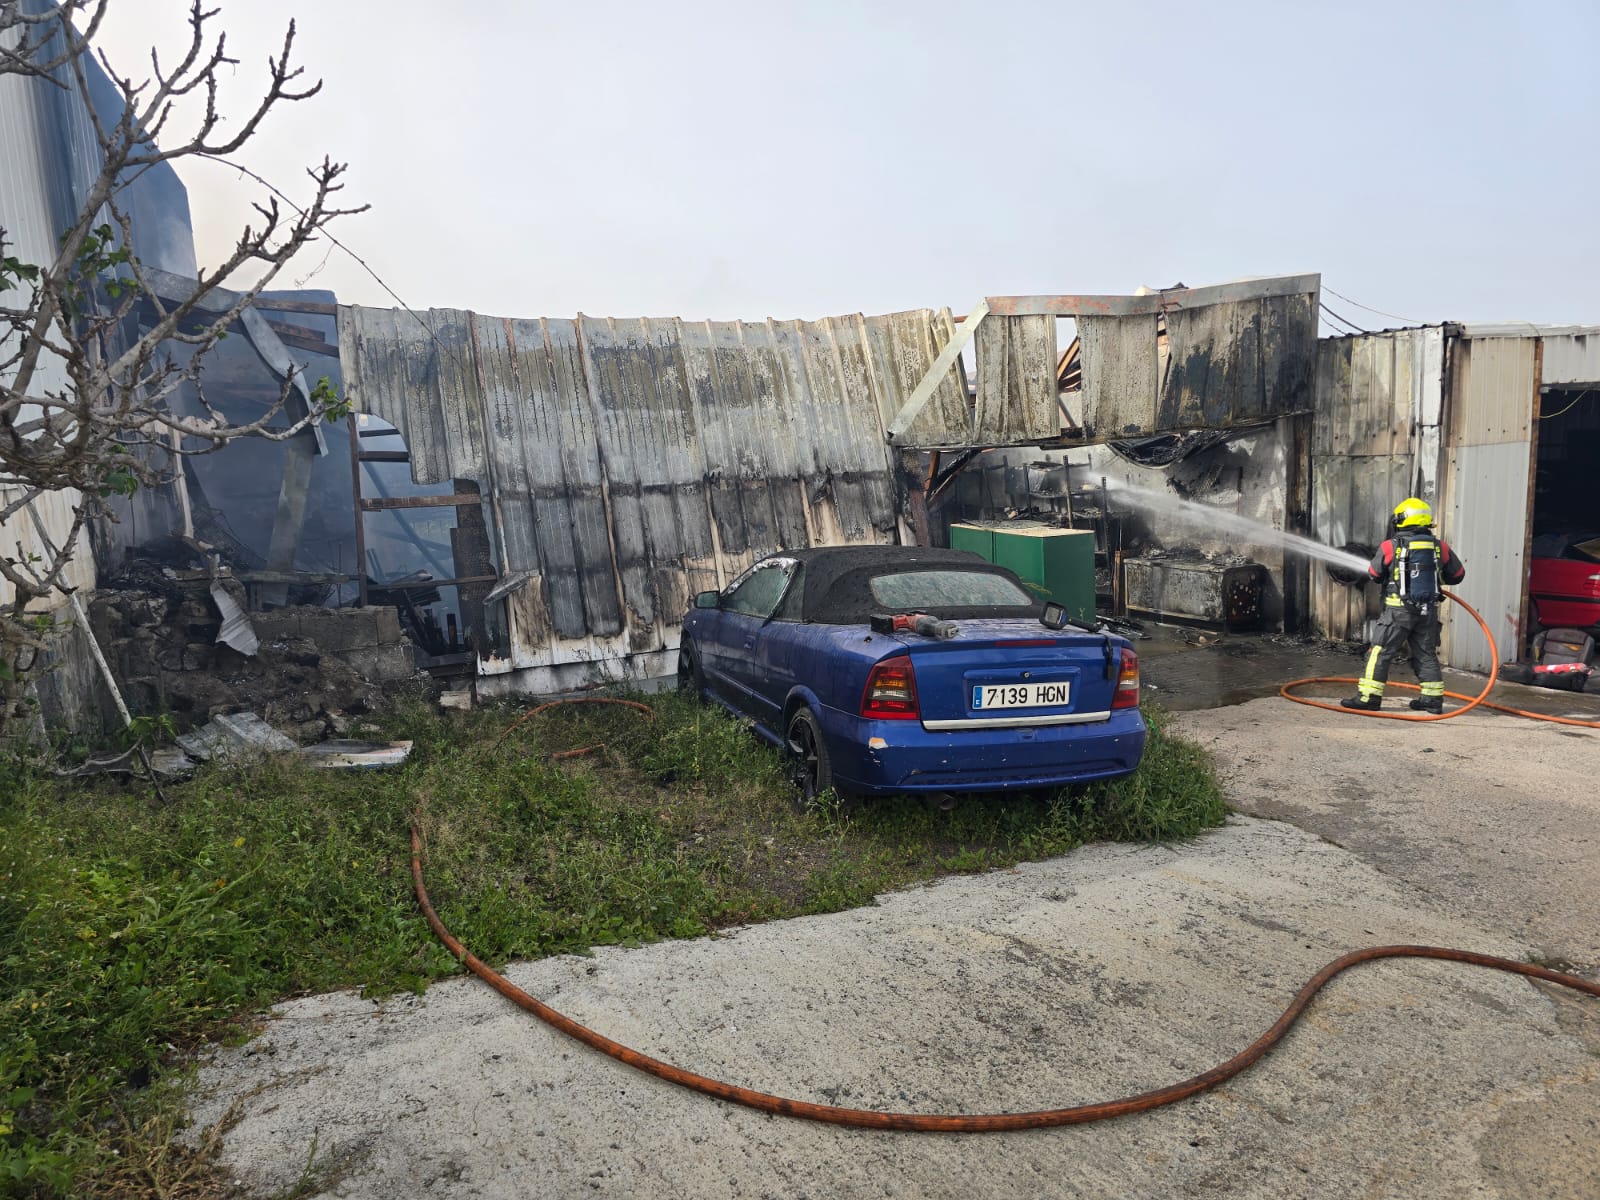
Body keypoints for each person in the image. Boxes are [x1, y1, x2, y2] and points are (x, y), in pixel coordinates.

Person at [1342, 497, 1466, 714]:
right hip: (1427, 612)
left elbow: (1374, 574)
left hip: (1397, 613)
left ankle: (1369, 697)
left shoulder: (1390, 546)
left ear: (1402, 519)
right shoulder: (1439, 546)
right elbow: (1457, 575)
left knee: (1379, 652)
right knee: (1426, 654)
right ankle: (1432, 701)